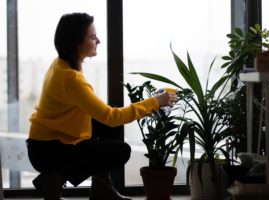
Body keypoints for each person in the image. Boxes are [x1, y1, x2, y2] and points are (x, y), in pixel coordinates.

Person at [26, 12, 177, 200]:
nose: (99, 41)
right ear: (76, 43)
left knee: (108, 128)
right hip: (49, 151)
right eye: (92, 37)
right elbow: (112, 117)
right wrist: (156, 102)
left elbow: (104, 117)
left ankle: (101, 189)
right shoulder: (70, 78)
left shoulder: (61, 64)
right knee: (121, 151)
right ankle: (53, 178)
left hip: (45, 143)